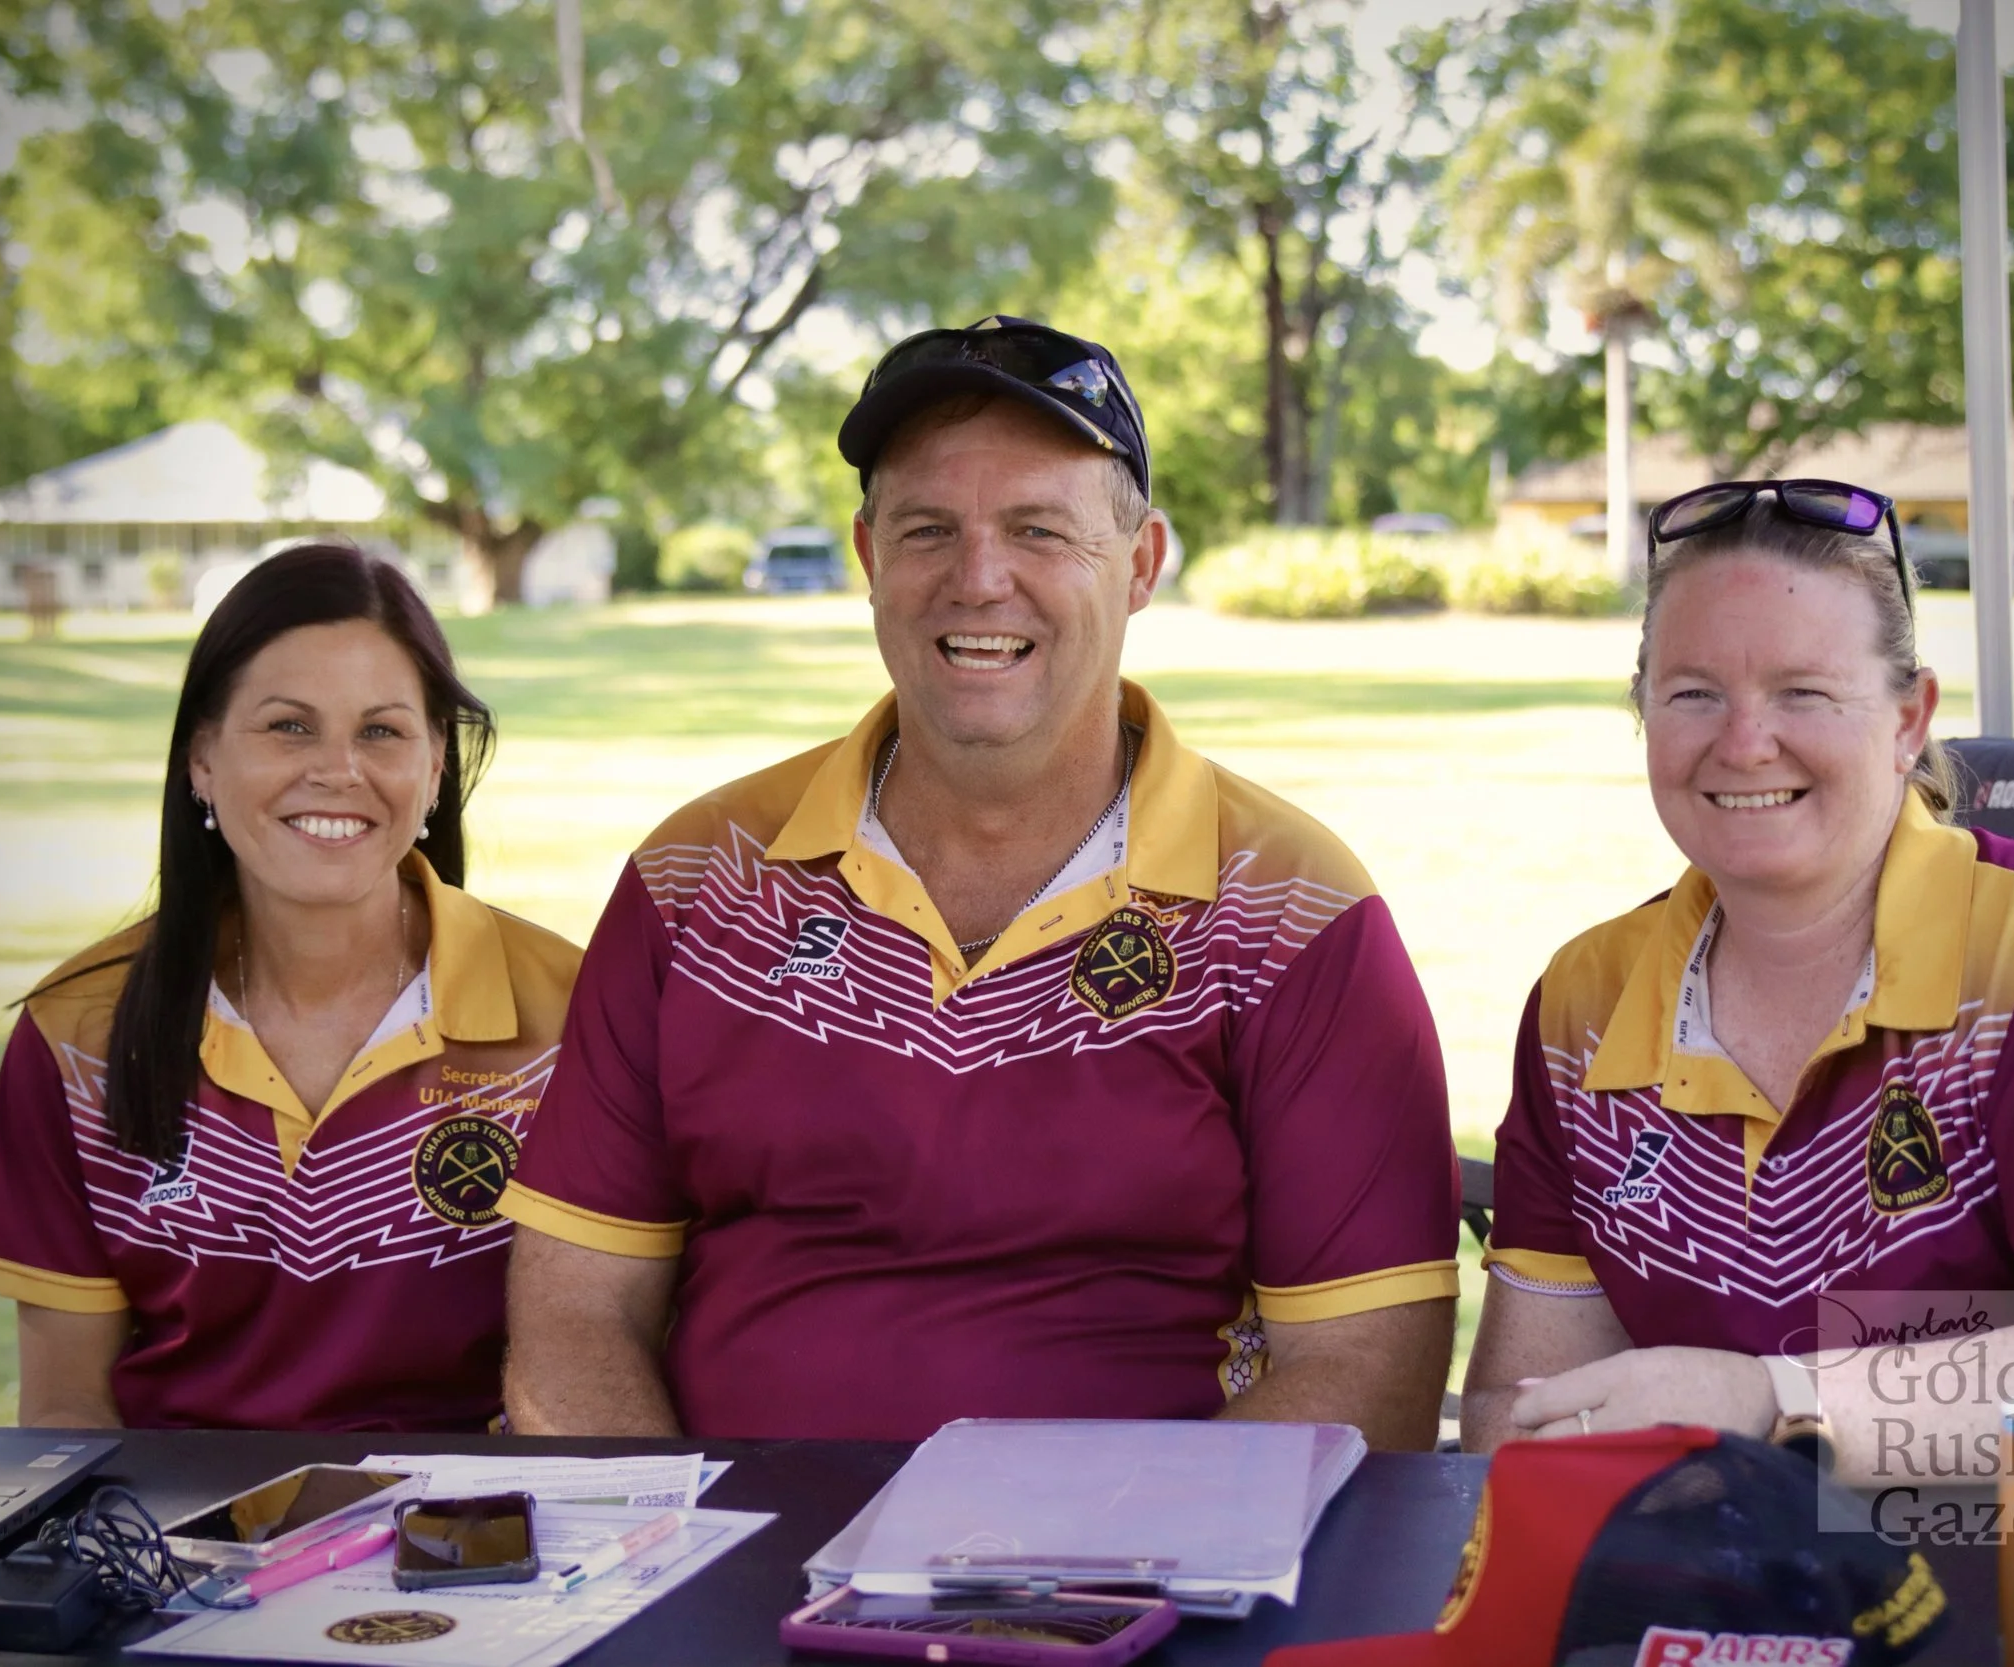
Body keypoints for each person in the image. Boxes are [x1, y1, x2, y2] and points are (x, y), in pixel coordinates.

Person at [499, 317, 1461, 1448]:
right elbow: (573, 1312)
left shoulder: (1291, 909)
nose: (979, 578)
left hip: (1133, 1590)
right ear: (867, 559)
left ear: (1142, 563)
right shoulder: (698, 879)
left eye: (1038, 530)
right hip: (728, 1572)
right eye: (927, 530)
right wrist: (657, 1564)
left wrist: (1073, 1579)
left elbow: (1368, 1368)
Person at [1460, 481, 2014, 1478]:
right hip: (1729, 1600)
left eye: (1804, 691)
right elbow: (1513, 1408)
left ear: (1907, 717)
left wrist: (1774, 1402)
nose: (1744, 740)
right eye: (1692, 691)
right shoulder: (1585, 998)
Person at [0, 544, 581, 1430]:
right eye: (289, 725)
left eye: (382, 730)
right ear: (202, 757)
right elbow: (68, 1414)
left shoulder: (570, 1011)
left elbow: (605, 1357)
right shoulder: (77, 1035)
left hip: (473, 1545)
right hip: (178, 1550)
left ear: (437, 764)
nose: (338, 770)